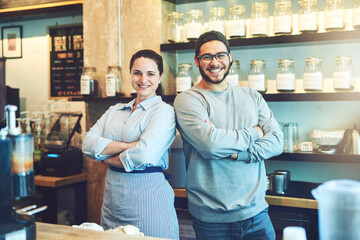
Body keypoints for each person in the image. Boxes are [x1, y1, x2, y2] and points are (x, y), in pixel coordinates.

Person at [173, 31, 283, 240]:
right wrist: (256, 131)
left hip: (257, 215)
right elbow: (211, 145)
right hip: (212, 222)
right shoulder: (188, 100)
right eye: (207, 57)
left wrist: (236, 153)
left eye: (220, 55)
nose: (215, 63)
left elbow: (277, 142)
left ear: (230, 57)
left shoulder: (251, 96)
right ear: (197, 61)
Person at [82, 49, 179, 239]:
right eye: (137, 73)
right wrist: (129, 146)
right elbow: (87, 144)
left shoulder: (164, 112)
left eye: (150, 73)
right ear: (131, 75)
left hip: (149, 197)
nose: (143, 79)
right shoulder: (115, 110)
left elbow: (145, 155)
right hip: (113, 199)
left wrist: (108, 158)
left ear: (160, 77)